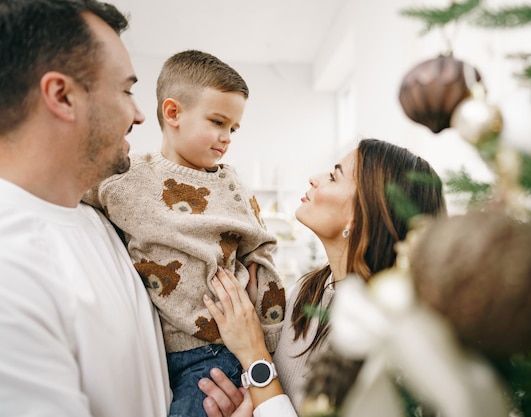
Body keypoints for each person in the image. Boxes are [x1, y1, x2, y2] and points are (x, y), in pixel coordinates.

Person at [81, 50, 286, 417]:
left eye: (233, 129)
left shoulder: (231, 185)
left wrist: (265, 346)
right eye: (218, 122)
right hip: (156, 349)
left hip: (216, 351)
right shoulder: (124, 178)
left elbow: (262, 254)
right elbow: (69, 183)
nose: (226, 138)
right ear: (172, 113)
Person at [0, 0, 173, 416]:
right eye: (126, 90)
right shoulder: (10, 271)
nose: (138, 115)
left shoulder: (97, 220)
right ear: (62, 96)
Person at [198, 138, 448, 417]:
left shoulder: (380, 332)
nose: (315, 179)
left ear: (361, 212)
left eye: (333, 176)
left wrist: (254, 354)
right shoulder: (309, 289)